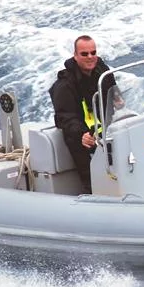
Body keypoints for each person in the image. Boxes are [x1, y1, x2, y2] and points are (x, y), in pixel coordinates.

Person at [49, 35, 116, 194]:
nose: (90, 57)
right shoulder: (64, 85)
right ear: (76, 56)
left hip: (107, 131)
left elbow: (114, 94)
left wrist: (118, 100)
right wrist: (81, 134)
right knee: (93, 179)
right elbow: (64, 118)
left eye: (93, 52)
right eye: (85, 54)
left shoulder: (103, 73)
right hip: (83, 137)